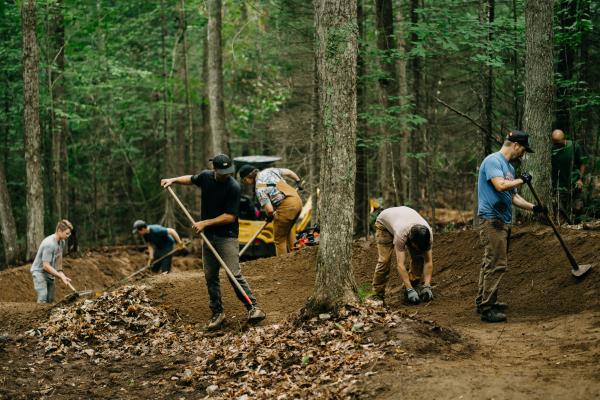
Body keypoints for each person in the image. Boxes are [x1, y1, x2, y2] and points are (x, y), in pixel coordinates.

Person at [161, 154, 266, 330]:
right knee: (210, 275)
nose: (227, 175)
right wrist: (172, 180)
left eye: (229, 171)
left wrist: (205, 223)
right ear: (214, 170)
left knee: (233, 273)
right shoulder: (205, 177)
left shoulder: (234, 187)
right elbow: (191, 179)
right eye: (223, 172)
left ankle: (253, 307)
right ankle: (218, 313)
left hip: (227, 235)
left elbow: (230, 216)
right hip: (208, 236)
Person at [476, 130, 544, 323]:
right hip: (492, 220)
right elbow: (500, 186)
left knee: (490, 262)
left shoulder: (509, 168)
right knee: (497, 264)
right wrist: (523, 180)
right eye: (523, 149)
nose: (523, 154)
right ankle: (487, 309)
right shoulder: (493, 161)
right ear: (515, 145)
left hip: (502, 221)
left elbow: (512, 196)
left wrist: (534, 208)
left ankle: (484, 301)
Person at [369, 206, 434, 305]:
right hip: (384, 224)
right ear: (410, 240)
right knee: (384, 260)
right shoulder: (401, 235)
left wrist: (427, 285)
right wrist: (409, 290)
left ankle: (413, 285)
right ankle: (377, 294)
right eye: (416, 247)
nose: (417, 249)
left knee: (419, 257)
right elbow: (400, 264)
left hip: (402, 217)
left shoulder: (428, 235)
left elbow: (428, 261)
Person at [238, 164, 303, 255]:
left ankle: (282, 265)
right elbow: (288, 172)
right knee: (287, 230)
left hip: (287, 207)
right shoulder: (270, 170)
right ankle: (297, 256)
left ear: (248, 177)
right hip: (297, 201)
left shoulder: (259, 187)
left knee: (279, 240)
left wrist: (269, 217)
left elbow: (269, 210)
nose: (246, 183)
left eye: (244, 180)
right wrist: (298, 181)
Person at [30, 220, 74, 303]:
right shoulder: (49, 244)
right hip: (39, 272)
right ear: (59, 231)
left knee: (50, 299)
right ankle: (40, 315)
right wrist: (60, 277)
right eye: (67, 233)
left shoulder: (62, 242)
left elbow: (59, 258)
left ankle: (48, 316)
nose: (68, 235)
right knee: (43, 296)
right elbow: (45, 266)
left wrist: (61, 272)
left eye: (69, 233)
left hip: (49, 273)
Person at [551, 129, 586, 223]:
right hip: (559, 184)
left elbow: (582, 163)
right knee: (560, 209)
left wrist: (580, 179)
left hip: (574, 182)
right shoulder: (552, 149)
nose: (556, 144)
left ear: (564, 138)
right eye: (554, 142)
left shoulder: (574, 146)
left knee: (578, 207)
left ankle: (579, 226)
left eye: (558, 142)